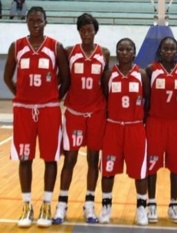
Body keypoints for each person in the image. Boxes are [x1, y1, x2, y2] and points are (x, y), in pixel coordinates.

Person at [3, 6, 70, 228]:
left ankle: (47, 204)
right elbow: (7, 77)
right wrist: (22, 96)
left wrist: (51, 99)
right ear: (27, 22)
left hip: (49, 110)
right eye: (31, 20)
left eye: (39, 20)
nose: (35, 23)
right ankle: (26, 204)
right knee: (25, 158)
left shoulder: (55, 47)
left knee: (50, 158)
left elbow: (66, 79)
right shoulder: (17, 47)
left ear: (45, 21)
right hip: (23, 110)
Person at [52, 13, 110, 224]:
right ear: (79, 32)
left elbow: (105, 85)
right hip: (75, 113)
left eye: (90, 30)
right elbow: (63, 80)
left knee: (93, 160)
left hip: (96, 114)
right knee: (70, 160)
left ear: (95, 31)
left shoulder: (104, 52)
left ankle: (89, 204)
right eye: (83, 30)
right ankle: (62, 204)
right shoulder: (69, 52)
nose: (86, 33)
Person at [98, 38, 150, 225]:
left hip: (135, 128)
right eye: (121, 49)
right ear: (116, 52)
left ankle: (141, 209)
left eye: (128, 49)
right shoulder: (108, 75)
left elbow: (148, 101)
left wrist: (139, 121)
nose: (124, 52)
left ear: (134, 53)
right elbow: (104, 97)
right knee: (108, 171)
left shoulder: (142, 75)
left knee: (140, 172)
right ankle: (106, 207)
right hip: (113, 127)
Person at [145, 37, 177, 224]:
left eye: (172, 49)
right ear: (160, 51)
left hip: (176, 125)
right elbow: (146, 98)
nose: (169, 52)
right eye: (165, 49)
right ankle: (151, 203)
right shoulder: (150, 70)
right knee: (152, 165)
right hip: (155, 123)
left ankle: (173, 204)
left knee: (175, 167)